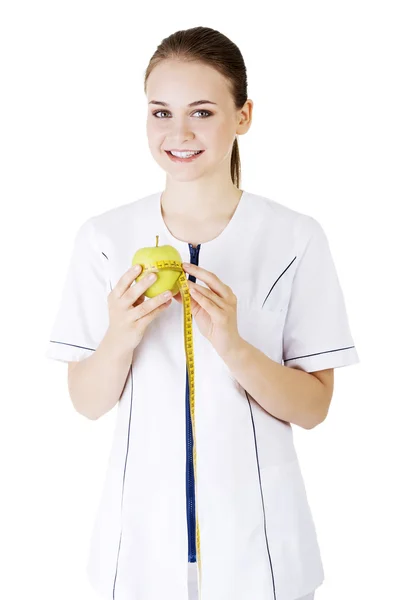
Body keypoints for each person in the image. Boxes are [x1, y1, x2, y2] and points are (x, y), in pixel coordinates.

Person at [45, 26, 359, 600]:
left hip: (261, 553)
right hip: (136, 552)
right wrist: (119, 335)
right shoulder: (105, 239)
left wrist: (234, 345)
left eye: (203, 111)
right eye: (160, 112)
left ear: (243, 117)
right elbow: (86, 403)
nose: (179, 132)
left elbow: (314, 408)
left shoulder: (294, 238)